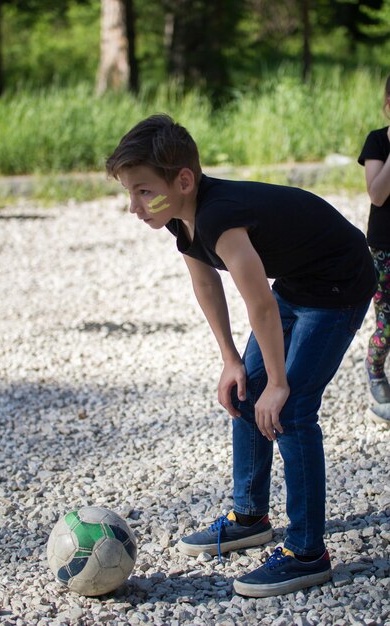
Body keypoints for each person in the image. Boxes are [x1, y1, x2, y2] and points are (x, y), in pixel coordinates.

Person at [106, 114, 377, 598]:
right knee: (244, 390)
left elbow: (260, 305)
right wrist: (232, 360)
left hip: (339, 283)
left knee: (289, 409)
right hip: (300, 280)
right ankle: (250, 516)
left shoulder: (218, 216)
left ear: (183, 180)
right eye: (130, 192)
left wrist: (279, 382)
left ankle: (306, 553)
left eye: (143, 191)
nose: (134, 205)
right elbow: (205, 282)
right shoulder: (182, 219)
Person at [358, 75, 390, 428]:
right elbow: (377, 194)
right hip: (385, 247)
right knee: (387, 322)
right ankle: (376, 372)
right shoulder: (377, 142)